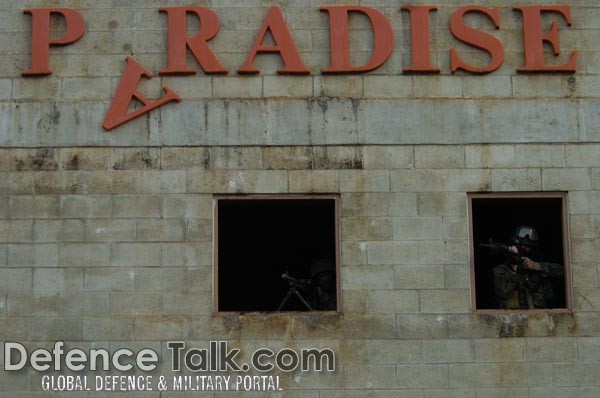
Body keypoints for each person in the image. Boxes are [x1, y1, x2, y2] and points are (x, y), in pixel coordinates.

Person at [492, 226, 564, 309]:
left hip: (540, 317)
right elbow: (502, 294)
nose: (523, 248)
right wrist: (516, 271)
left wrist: (536, 266)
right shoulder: (501, 270)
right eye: (521, 246)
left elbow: (564, 271)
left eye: (527, 246)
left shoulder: (535, 266)